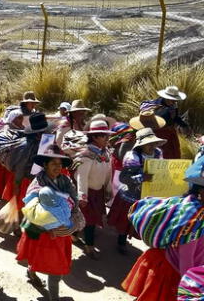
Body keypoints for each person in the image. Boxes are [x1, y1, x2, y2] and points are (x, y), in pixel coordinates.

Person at [122, 161, 204, 300]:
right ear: (202, 191)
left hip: (166, 263)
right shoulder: (195, 218)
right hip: (171, 271)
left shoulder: (187, 203)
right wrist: (190, 289)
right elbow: (186, 257)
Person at [17, 145, 85, 301]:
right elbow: (33, 211)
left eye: (60, 164)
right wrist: (51, 224)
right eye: (53, 163)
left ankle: (32, 272)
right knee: (54, 269)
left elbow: (74, 202)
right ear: (45, 165)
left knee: (55, 266)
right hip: (43, 232)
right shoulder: (37, 185)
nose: (58, 167)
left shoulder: (66, 181)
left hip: (61, 231)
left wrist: (72, 221)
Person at [107, 128, 165, 254]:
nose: (152, 146)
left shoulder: (158, 154)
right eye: (148, 144)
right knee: (125, 220)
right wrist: (142, 177)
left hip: (148, 195)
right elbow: (124, 178)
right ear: (141, 145)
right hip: (131, 194)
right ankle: (121, 242)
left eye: (153, 143)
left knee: (139, 221)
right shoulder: (132, 156)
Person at [74, 119, 113, 259]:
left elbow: (109, 172)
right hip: (88, 192)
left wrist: (108, 189)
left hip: (98, 191)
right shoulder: (86, 155)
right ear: (94, 137)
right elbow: (82, 177)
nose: (107, 138)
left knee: (90, 219)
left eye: (107, 135)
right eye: (104, 135)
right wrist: (82, 196)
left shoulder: (106, 153)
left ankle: (74, 235)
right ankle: (89, 246)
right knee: (89, 221)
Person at [144, 85, 189, 159]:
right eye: (172, 100)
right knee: (161, 153)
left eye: (175, 100)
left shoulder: (173, 105)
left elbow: (175, 118)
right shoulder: (155, 106)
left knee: (174, 153)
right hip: (157, 134)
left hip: (170, 134)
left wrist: (184, 125)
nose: (174, 102)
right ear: (165, 97)